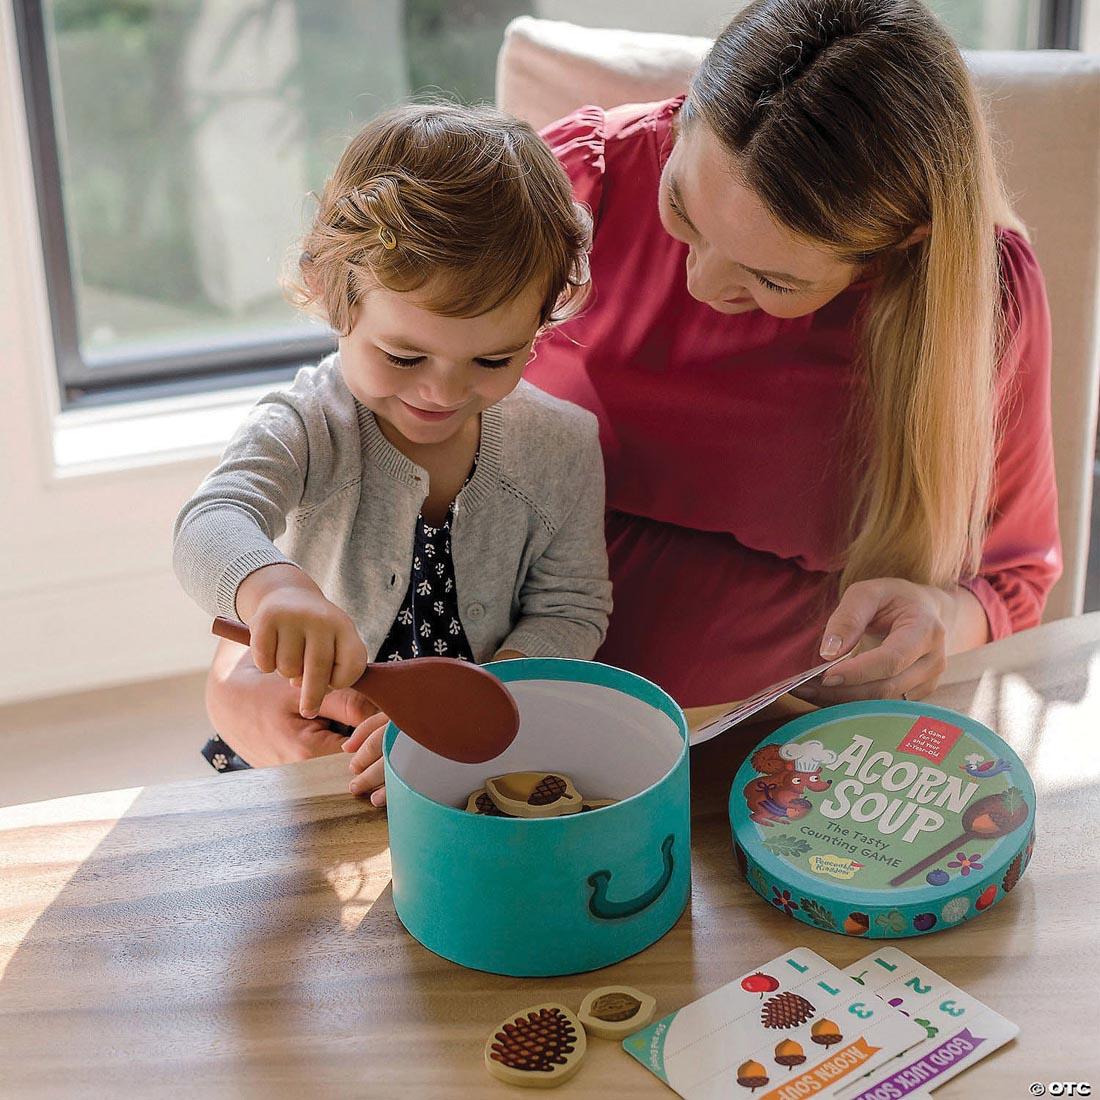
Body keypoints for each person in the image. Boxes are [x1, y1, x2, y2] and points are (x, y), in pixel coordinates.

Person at [205, 0, 1060, 779]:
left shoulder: (976, 310)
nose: (699, 284)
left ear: (895, 248)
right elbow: (337, 445)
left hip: (760, 764)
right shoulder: (576, 183)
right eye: (682, 211)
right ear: (687, 109)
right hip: (449, 740)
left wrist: (939, 621)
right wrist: (236, 678)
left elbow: (1014, 577)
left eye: (771, 279)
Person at [174, 103, 611, 799]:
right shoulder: (311, 423)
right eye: (404, 355)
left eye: (494, 360)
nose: (444, 390)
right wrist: (274, 588)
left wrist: (494, 701)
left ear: (544, 319)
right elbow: (210, 521)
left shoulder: (562, 445)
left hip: (471, 755)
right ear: (329, 290)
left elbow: (574, 606)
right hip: (315, 734)